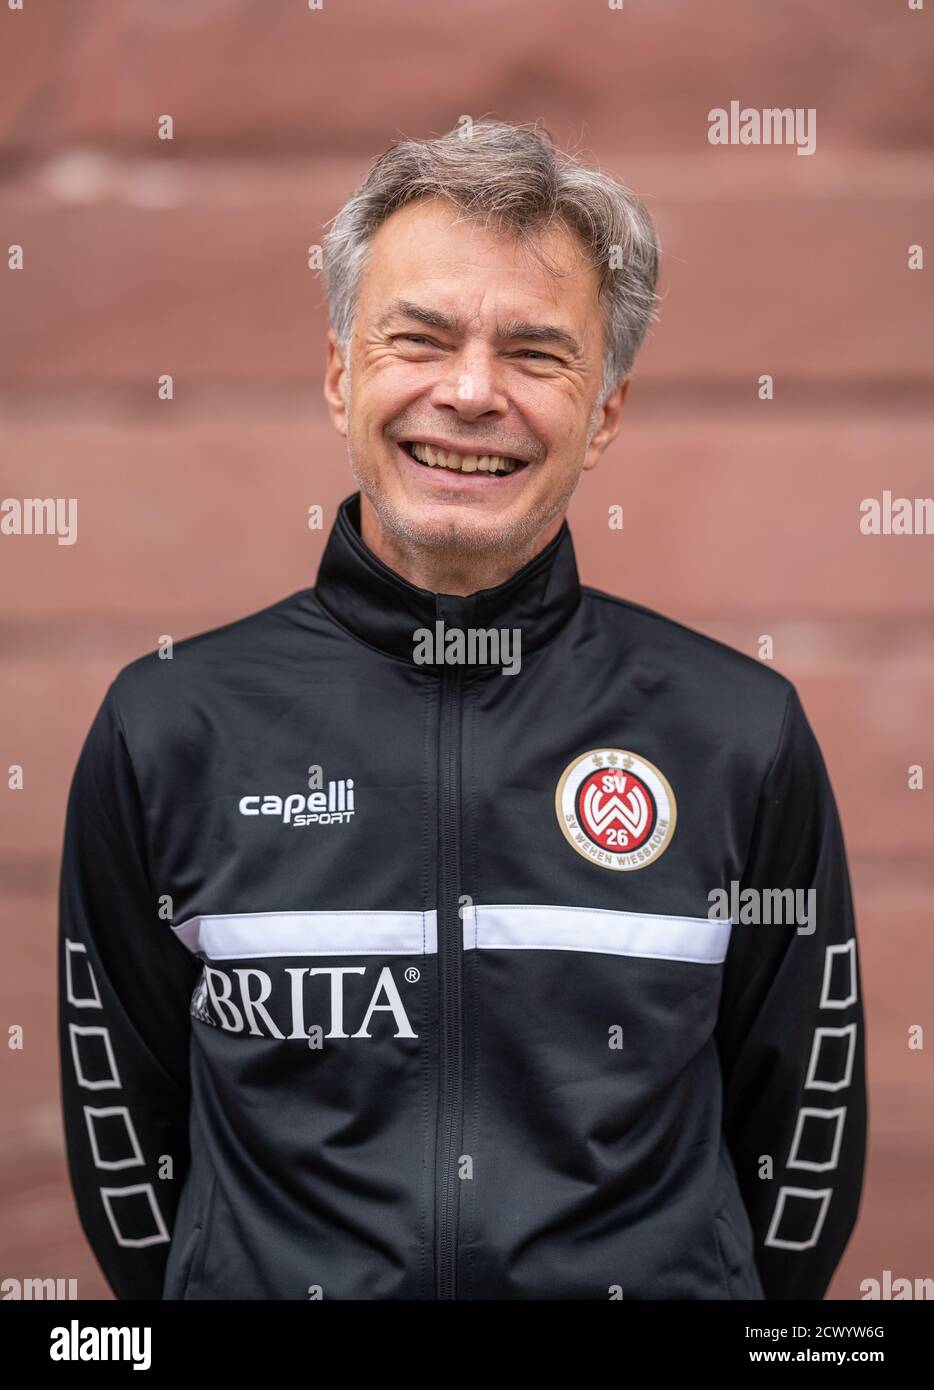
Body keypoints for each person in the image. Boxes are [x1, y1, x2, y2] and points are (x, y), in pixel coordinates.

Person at [58, 119, 866, 1300]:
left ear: (604, 413)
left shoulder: (737, 733)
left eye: (537, 354)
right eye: (418, 338)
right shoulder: (169, 727)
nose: (471, 391)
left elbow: (801, 1143)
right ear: (341, 375)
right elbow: (126, 1145)